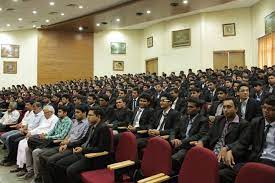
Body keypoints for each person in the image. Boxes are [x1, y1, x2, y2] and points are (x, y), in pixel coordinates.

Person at [219, 95, 275, 183]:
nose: (266, 111)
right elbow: (243, 142)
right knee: (223, 174)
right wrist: (230, 149)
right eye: (264, 108)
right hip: (255, 160)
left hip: (272, 163)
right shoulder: (256, 122)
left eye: (271, 109)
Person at [50, 107, 112, 183]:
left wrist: (83, 149)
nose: (88, 117)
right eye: (88, 115)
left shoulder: (103, 128)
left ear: (98, 116)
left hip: (94, 158)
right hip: (84, 153)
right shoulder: (92, 125)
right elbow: (83, 140)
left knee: (71, 170)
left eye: (90, 115)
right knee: (59, 164)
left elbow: (102, 148)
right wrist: (68, 145)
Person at [170, 97, 208, 171]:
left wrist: (182, 142)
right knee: (161, 151)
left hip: (189, 146)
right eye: (187, 106)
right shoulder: (184, 118)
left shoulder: (203, 120)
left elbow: (199, 135)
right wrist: (173, 139)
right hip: (178, 143)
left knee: (175, 159)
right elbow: (174, 130)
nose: (188, 108)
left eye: (191, 107)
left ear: (198, 109)